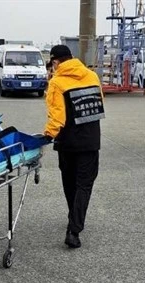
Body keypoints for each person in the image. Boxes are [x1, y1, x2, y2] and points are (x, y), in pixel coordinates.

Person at [43, 45, 105, 249]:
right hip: (90, 140)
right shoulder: (92, 76)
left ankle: (74, 221)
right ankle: (74, 229)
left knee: (70, 183)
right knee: (84, 185)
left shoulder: (57, 82)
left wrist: (47, 135)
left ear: (55, 62)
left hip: (67, 142)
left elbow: (57, 117)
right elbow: (99, 102)